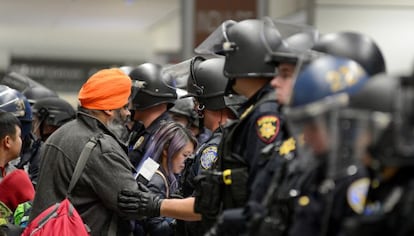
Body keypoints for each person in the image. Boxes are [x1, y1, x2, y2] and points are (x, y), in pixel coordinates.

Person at [29, 68, 157, 235]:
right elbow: (134, 207)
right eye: (125, 106)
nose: (128, 113)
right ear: (109, 109)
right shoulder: (102, 149)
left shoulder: (61, 133)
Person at [281, 55, 373, 236]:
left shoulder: (362, 183)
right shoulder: (317, 172)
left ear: (345, 123)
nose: (305, 138)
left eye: (313, 126)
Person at [341, 71, 414, 236]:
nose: (358, 141)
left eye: (366, 130)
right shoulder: (383, 177)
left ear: (390, 133)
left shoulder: (408, 199)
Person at [134, 121, 197, 236]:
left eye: (190, 156)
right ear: (166, 150)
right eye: (185, 155)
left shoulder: (149, 169)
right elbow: (156, 230)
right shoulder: (157, 181)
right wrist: (180, 214)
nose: (186, 162)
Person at [127, 63, 177, 168]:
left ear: (143, 97)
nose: (127, 100)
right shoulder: (143, 130)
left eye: (131, 93)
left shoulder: (165, 136)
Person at [0, 111, 22, 181]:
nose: (21, 141)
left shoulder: (14, 174)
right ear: (7, 141)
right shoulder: (17, 180)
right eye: (19, 136)